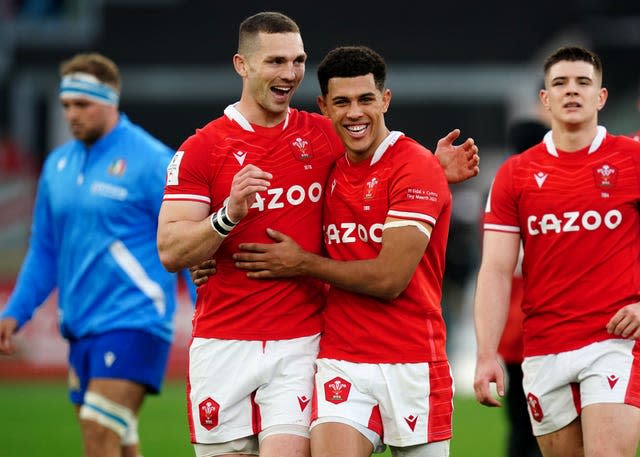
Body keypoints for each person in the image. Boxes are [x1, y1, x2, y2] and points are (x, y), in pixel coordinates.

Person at [158, 11, 478, 457]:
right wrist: (225, 219)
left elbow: (381, 159)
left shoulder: (322, 134)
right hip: (222, 342)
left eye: (297, 61)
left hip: (303, 343)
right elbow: (171, 249)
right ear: (241, 64)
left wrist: (432, 167)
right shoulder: (202, 150)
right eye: (275, 62)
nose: (289, 74)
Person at [232, 44, 455, 457]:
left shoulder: (415, 166)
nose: (355, 113)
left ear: (385, 100)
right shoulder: (327, 165)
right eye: (342, 102)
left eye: (366, 99)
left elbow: (390, 279)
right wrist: (212, 261)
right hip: (342, 357)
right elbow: (274, 219)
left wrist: (302, 264)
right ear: (324, 106)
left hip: (412, 360)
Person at [0, 52, 193, 457]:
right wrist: (15, 312)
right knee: (119, 442)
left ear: (111, 100)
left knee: (97, 433)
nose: (72, 114)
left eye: (83, 104)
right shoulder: (58, 165)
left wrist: (204, 310)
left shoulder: (154, 161)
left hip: (135, 320)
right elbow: (45, 249)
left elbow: (189, 240)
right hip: (80, 327)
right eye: (67, 105)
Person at [473, 45, 640, 457]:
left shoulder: (633, 160)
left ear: (601, 97)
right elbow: (495, 269)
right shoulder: (515, 174)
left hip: (615, 340)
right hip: (544, 346)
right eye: (560, 83)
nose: (572, 91)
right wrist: (485, 353)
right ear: (545, 99)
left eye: (583, 82)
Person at [497, 119, 548, 457]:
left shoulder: (505, 189)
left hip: (513, 332)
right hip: (545, 328)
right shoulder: (540, 191)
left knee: (520, 424)